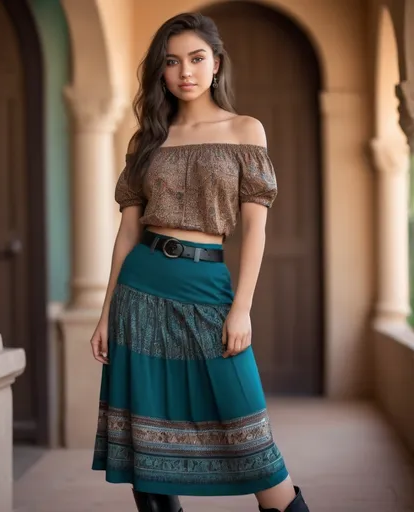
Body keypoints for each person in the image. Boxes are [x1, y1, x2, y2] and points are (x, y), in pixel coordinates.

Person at [90, 11, 309, 512]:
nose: (185, 71)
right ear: (161, 72)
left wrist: (242, 308)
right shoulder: (146, 139)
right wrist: (105, 314)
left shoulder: (245, 130)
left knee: (256, 446)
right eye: (172, 61)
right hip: (140, 290)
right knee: (147, 453)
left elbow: (255, 227)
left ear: (216, 64)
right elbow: (127, 233)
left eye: (196, 58)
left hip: (208, 288)